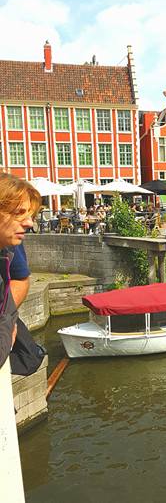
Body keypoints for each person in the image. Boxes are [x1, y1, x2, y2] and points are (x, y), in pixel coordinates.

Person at [0, 173, 40, 497]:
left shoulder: (9, 253)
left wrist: (6, 317)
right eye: (21, 213)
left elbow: (21, 279)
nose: (30, 224)